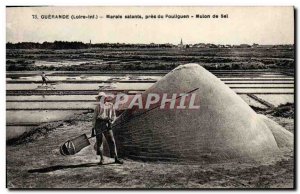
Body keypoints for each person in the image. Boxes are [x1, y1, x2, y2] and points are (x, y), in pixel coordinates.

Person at [92, 92, 123, 165]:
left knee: (111, 141)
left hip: (107, 124)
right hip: (98, 124)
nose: (101, 99)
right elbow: (94, 118)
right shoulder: (98, 107)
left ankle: (115, 158)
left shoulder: (110, 105)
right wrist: (93, 129)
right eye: (100, 98)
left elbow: (113, 116)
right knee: (99, 142)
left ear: (105, 98)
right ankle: (102, 159)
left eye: (102, 98)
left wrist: (111, 123)